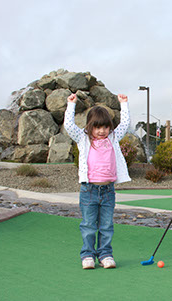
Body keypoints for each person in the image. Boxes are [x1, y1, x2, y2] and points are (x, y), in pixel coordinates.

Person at [64, 93, 131, 270]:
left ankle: (105, 254)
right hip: (89, 190)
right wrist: (71, 105)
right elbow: (69, 126)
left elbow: (125, 125)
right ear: (90, 127)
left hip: (108, 191)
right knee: (88, 225)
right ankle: (87, 255)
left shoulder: (112, 138)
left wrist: (124, 104)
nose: (102, 131)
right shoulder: (84, 139)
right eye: (97, 127)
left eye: (105, 127)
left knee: (107, 225)